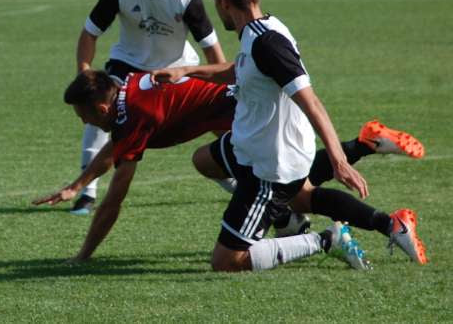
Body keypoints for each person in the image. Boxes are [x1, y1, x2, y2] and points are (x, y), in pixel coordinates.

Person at [152, 0, 427, 271]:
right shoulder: (261, 29)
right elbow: (239, 69)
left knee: (226, 261)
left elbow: (312, 103)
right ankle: (383, 215)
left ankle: (326, 239)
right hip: (250, 145)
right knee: (204, 160)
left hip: (269, 167)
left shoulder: (267, 43)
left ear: (223, 2)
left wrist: (338, 161)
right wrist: (187, 71)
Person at [33, 68, 425, 269]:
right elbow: (120, 148)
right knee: (204, 160)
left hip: (252, 126)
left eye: (82, 115)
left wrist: (84, 254)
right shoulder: (127, 95)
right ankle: (367, 143)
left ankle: (385, 223)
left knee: (303, 196)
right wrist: (78, 184)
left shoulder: (133, 115)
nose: (82, 122)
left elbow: (115, 198)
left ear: (99, 109)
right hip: (244, 118)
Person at [70, 0, 226, 215]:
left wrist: (222, 88)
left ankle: (232, 175)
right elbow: (90, 32)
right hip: (128, 63)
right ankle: (86, 195)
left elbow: (212, 50)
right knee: (98, 108)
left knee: (217, 120)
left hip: (176, 67)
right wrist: (85, 72)